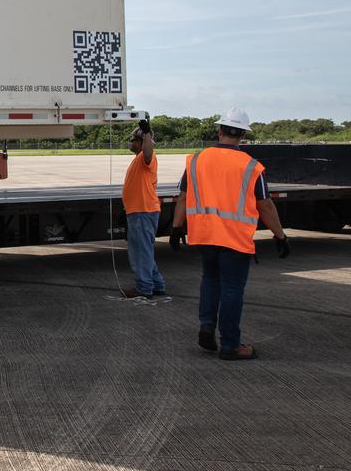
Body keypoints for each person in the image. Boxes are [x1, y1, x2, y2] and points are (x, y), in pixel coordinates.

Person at [170, 108, 289, 361]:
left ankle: (206, 325)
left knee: (210, 281)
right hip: (234, 239)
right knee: (232, 289)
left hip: (204, 235)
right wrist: (280, 236)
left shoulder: (196, 160)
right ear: (243, 135)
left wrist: (176, 227)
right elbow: (265, 205)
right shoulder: (252, 166)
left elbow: (182, 197)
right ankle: (230, 345)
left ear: (219, 130)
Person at [120, 118, 166, 299]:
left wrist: (146, 133)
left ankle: (144, 287)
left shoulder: (147, 157)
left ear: (141, 143)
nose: (130, 142)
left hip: (143, 211)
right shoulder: (138, 159)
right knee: (144, 250)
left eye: (133, 139)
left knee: (140, 252)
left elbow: (148, 151)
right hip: (139, 211)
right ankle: (156, 283)